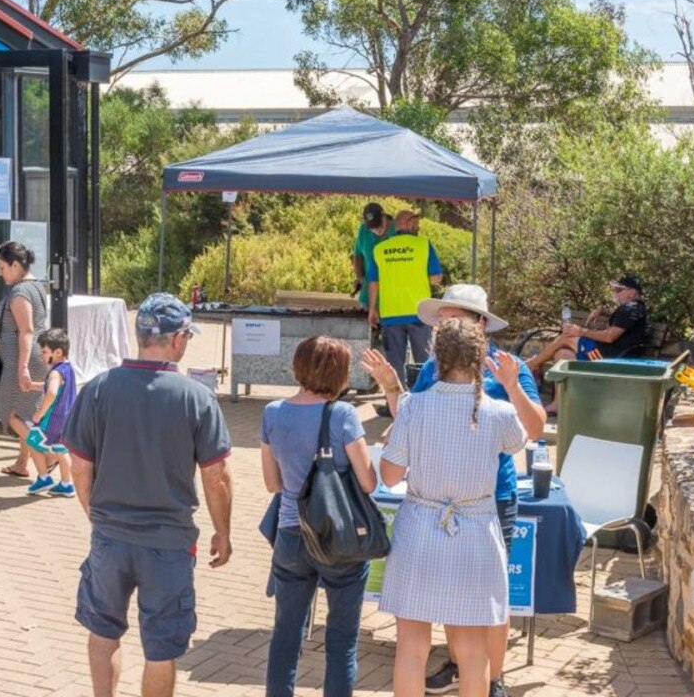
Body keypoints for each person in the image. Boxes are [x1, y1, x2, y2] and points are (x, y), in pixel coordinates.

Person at [362, 284, 545, 696]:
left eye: (450, 316)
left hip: (428, 523)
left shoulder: (506, 371)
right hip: (475, 524)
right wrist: (395, 391)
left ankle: (494, 684)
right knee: (471, 646)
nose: (443, 321)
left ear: (479, 323)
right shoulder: (494, 411)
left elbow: (393, 471)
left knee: (412, 647)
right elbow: (520, 441)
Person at [64, 293, 234, 697]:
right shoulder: (196, 397)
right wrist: (223, 532)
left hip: (110, 536)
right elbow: (217, 476)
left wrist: (96, 514)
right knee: (161, 649)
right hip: (169, 543)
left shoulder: (99, 389)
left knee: (103, 631)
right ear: (177, 339)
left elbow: (79, 465)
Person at [261, 335, 377, 697]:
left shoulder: (273, 412)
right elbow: (369, 482)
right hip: (339, 539)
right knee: (341, 640)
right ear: (339, 375)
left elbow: (271, 483)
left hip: (291, 534)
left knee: (285, 633)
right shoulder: (343, 415)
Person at [0, 241, 51, 479]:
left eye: (2, 267)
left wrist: (22, 367)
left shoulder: (20, 293)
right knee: (27, 412)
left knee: (12, 414)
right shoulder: (37, 286)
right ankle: (21, 462)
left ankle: (48, 457)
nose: (0, 272)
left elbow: (27, 331)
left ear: (15, 265)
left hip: (23, 360)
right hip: (34, 358)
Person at [367, 210, 443, 388]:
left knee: (394, 364)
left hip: (391, 315)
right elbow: (435, 278)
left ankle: (395, 403)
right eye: (416, 222)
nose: (418, 225)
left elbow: (373, 282)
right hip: (419, 314)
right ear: (407, 223)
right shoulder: (423, 244)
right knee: (424, 363)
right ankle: (424, 399)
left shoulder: (380, 249)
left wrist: (372, 309)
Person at [527, 274, 651, 372]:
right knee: (562, 355)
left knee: (565, 338)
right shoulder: (635, 308)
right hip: (612, 354)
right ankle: (558, 403)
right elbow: (623, 319)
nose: (616, 293)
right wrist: (603, 310)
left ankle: (531, 366)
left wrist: (580, 331)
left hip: (606, 357)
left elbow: (609, 337)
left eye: (619, 290)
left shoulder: (630, 308)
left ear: (632, 292)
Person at [23, 328, 77, 497]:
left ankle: (44, 477)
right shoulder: (67, 369)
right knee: (62, 451)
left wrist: (40, 412)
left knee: (32, 441)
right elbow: (52, 388)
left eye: (45, 351)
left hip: (52, 420)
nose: (42, 355)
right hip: (67, 418)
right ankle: (67, 484)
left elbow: (52, 392)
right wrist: (33, 385)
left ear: (58, 352)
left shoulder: (55, 372)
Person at [352, 202, 391, 311]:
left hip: (392, 299)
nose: (376, 229)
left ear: (384, 217)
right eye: (372, 227)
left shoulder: (398, 231)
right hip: (368, 296)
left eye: (379, 224)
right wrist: (359, 276)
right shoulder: (364, 229)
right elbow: (357, 255)